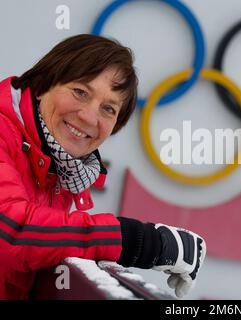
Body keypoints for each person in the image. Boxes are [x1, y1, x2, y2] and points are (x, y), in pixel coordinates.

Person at [0, 34, 206, 300]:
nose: (88, 117)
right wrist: (140, 241)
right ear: (42, 86)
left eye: (108, 109)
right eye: (80, 92)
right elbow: (13, 231)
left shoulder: (57, 170)